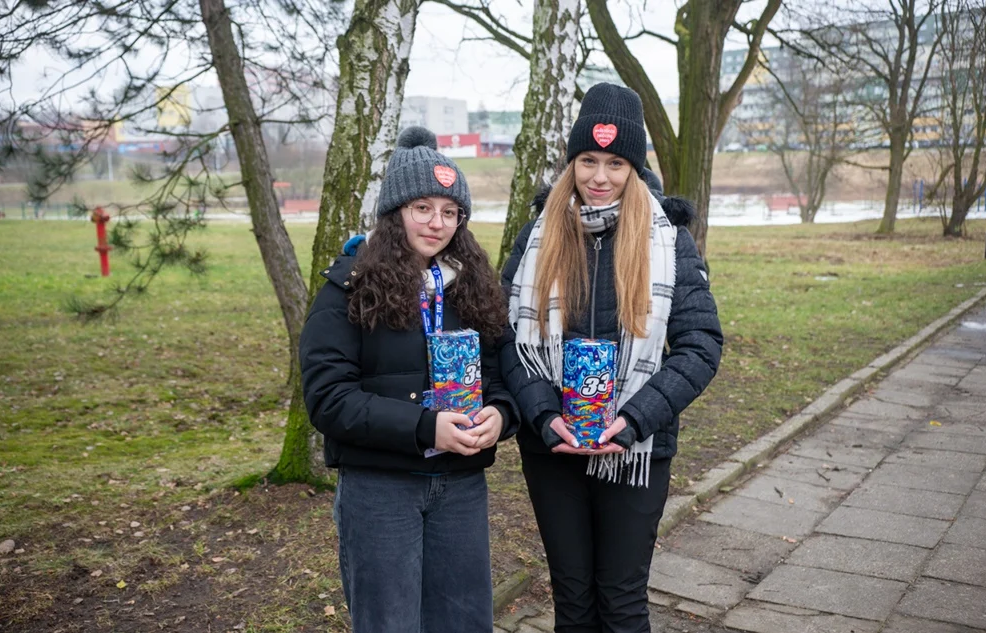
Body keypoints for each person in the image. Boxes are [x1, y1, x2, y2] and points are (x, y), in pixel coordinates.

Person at [499, 83, 723, 632]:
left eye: (616, 163)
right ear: (572, 163)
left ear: (634, 167)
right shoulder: (536, 238)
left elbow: (700, 344)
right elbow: (505, 337)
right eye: (588, 160)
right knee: (573, 603)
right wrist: (543, 414)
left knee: (622, 604)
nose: (599, 177)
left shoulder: (669, 240)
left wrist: (636, 419)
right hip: (553, 447)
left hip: (636, 446)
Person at [299, 126, 519, 633]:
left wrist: (501, 414)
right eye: (423, 207)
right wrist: (424, 427)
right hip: (380, 489)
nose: (437, 223)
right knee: (390, 623)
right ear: (395, 212)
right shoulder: (349, 287)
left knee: (464, 622)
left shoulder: (473, 286)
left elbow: (501, 375)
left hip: (460, 485)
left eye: (450, 211)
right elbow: (328, 398)